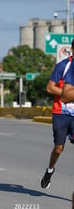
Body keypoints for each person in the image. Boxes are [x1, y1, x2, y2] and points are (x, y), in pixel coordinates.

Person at [40, 39, 74, 189]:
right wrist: (68, 95)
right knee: (59, 148)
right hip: (61, 112)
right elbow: (49, 88)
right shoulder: (63, 66)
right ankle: (50, 170)